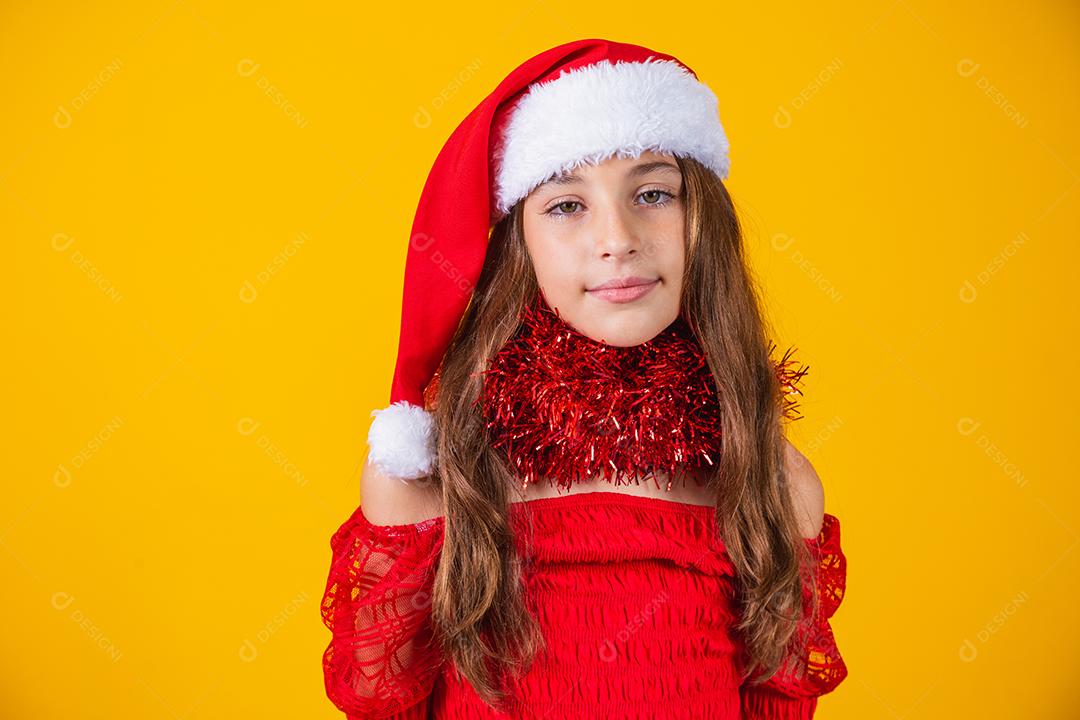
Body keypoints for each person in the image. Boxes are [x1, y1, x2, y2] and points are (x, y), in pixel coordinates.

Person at [321, 38, 849, 719]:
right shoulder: (435, 478)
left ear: (703, 223)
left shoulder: (769, 482)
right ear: (519, 245)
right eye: (567, 205)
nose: (618, 237)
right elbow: (378, 699)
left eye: (653, 193)